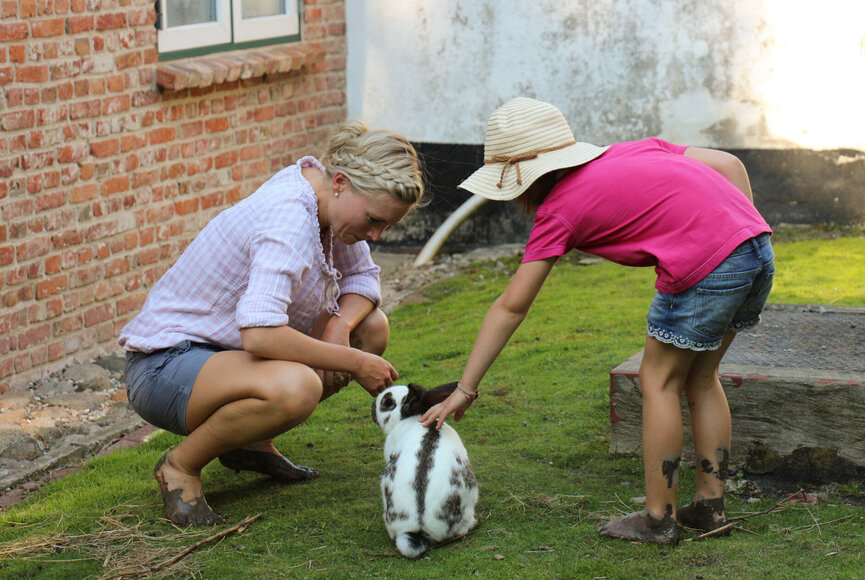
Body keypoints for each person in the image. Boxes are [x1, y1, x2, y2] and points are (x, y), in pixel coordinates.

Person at [420, 97, 774, 546]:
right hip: (756, 248)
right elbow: (729, 163)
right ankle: (709, 506)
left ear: (522, 180)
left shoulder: (556, 212)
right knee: (702, 378)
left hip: (709, 265)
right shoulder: (627, 151)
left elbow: (512, 306)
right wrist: (744, 227)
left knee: (658, 380)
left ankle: (658, 519)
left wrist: (465, 389)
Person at [119, 120, 424, 526]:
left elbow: (364, 279)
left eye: (386, 225)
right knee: (297, 387)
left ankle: (250, 443)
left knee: (371, 328)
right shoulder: (289, 219)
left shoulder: (327, 203)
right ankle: (180, 468)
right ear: (340, 181)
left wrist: (339, 328)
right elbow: (260, 334)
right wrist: (350, 361)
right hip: (165, 366)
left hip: (223, 356)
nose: (377, 234)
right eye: (373, 220)